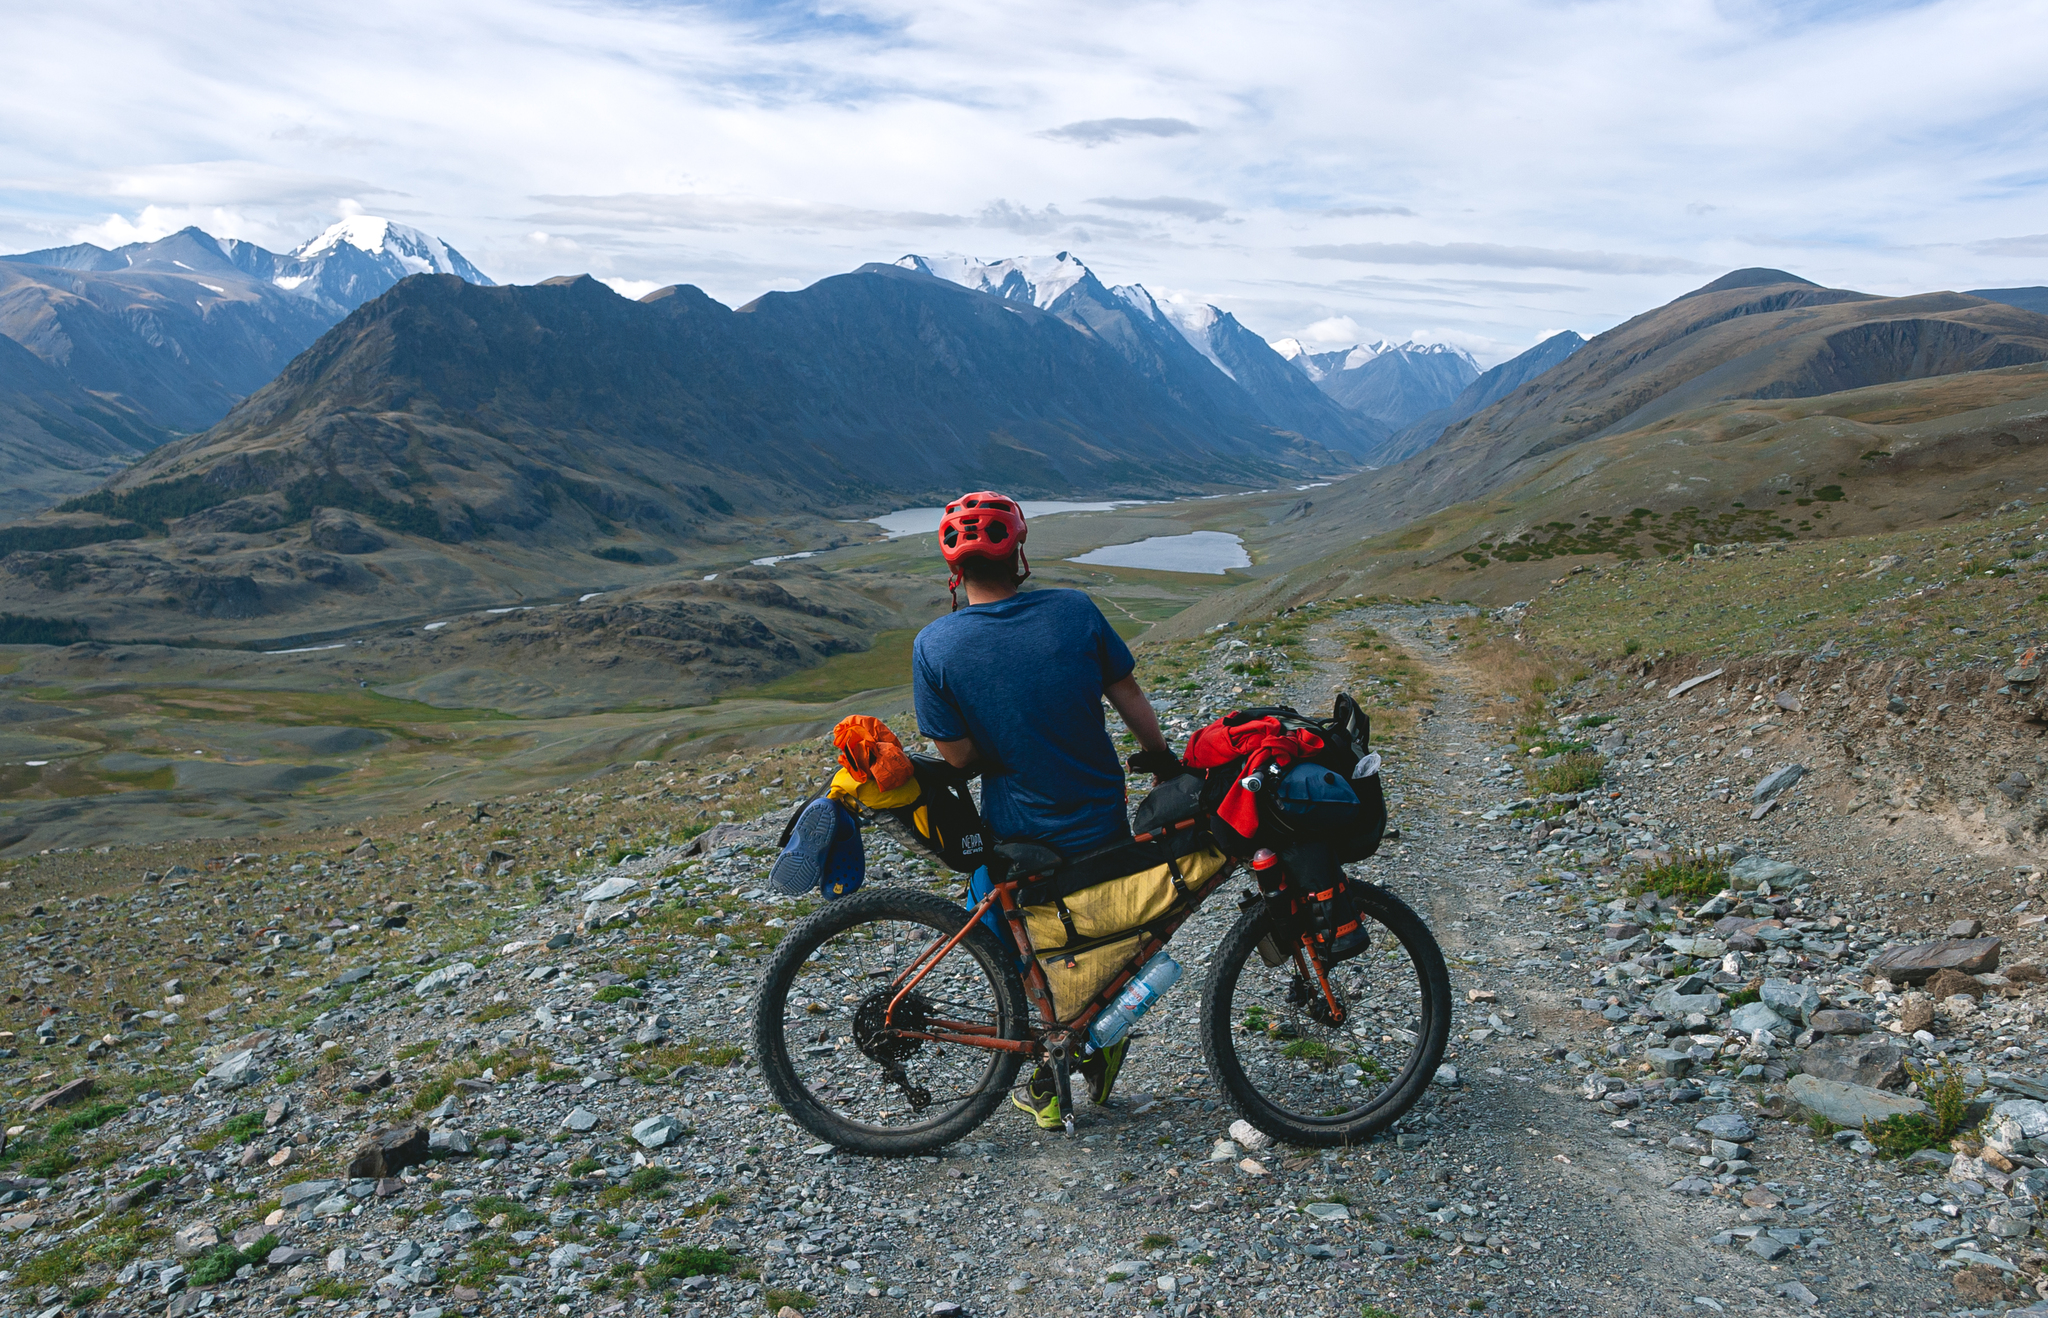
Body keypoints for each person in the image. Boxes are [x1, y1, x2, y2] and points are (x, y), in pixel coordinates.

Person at [910, 490, 1174, 1129]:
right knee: (1097, 942)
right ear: (1019, 553)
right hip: (1098, 817)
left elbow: (959, 757)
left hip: (1017, 832)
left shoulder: (935, 646)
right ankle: (1091, 1049)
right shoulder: (1075, 612)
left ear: (954, 571)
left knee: (1015, 955)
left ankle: (1051, 1075)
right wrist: (1162, 757)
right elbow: (1128, 694)